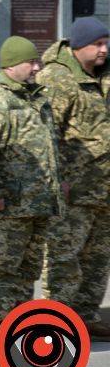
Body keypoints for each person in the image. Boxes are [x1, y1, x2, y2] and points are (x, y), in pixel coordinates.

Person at [0, 36, 63, 342]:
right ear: (13, 63)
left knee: (28, 268)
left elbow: (50, 146)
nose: (36, 67)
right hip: (12, 202)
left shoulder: (35, 97)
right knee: (5, 267)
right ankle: (1, 326)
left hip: (39, 200)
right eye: (31, 62)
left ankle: (22, 322)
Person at [37, 17, 110, 341]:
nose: (104, 50)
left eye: (106, 43)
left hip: (103, 187)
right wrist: (58, 177)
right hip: (74, 188)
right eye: (97, 44)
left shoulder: (105, 75)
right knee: (65, 258)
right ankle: (57, 320)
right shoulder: (58, 78)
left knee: (97, 259)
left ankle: (86, 315)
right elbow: (47, 131)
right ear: (79, 46)